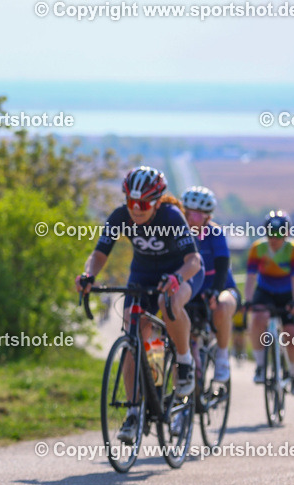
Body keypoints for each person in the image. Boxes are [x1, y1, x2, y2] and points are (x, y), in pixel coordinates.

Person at [76, 166, 204, 444]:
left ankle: (184, 361)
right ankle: (134, 412)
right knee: (134, 334)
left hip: (181, 272)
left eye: (143, 204)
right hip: (142, 275)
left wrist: (176, 278)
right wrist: (89, 275)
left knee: (168, 302)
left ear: (157, 202)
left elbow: (193, 260)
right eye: (131, 202)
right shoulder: (120, 216)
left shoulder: (171, 216)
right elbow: (99, 254)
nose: (136, 209)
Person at [180, 186, 239, 382]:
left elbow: (222, 267)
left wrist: (216, 290)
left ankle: (222, 357)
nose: (190, 219)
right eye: (186, 213)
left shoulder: (215, 234)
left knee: (221, 306)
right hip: (193, 291)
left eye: (196, 215)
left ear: (207, 217)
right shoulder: (179, 234)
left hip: (221, 287)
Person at [245, 210, 294, 395]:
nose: (274, 238)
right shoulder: (257, 248)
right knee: (257, 319)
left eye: (279, 234)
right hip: (265, 291)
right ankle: (260, 366)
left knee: (292, 333)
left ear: (287, 233)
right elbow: (250, 278)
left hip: (287, 293)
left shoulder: (293, 249)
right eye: (271, 233)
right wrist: (248, 300)